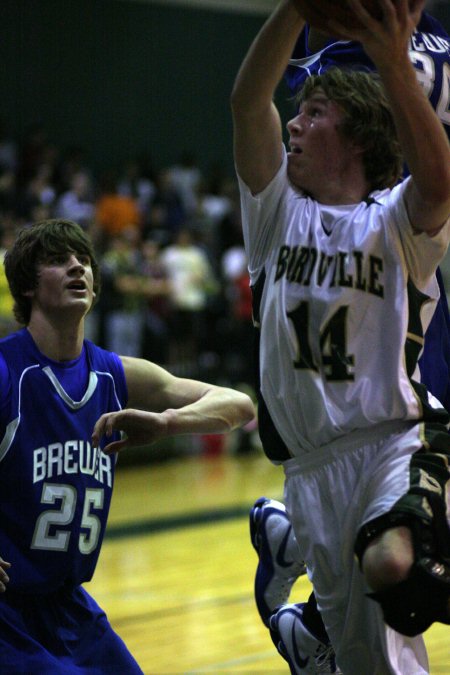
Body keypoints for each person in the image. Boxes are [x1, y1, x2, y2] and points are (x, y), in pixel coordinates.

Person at [231, 0, 450, 673]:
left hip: (395, 439)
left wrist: (391, 60)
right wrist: (295, 8)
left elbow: (438, 180)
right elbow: (247, 102)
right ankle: (305, 627)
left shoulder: (393, 223)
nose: (294, 123)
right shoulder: (275, 216)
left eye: (314, 113)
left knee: (392, 562)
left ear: (354, 137)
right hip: (310, 473)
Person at [0, 218, 255, 674]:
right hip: (7, 612)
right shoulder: (8, 371)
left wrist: (168, 422)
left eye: (84, 261)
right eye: (59, 261)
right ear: (27, 289)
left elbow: (237, 404)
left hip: (70, 609)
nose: (78, 267)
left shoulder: (113, 374)